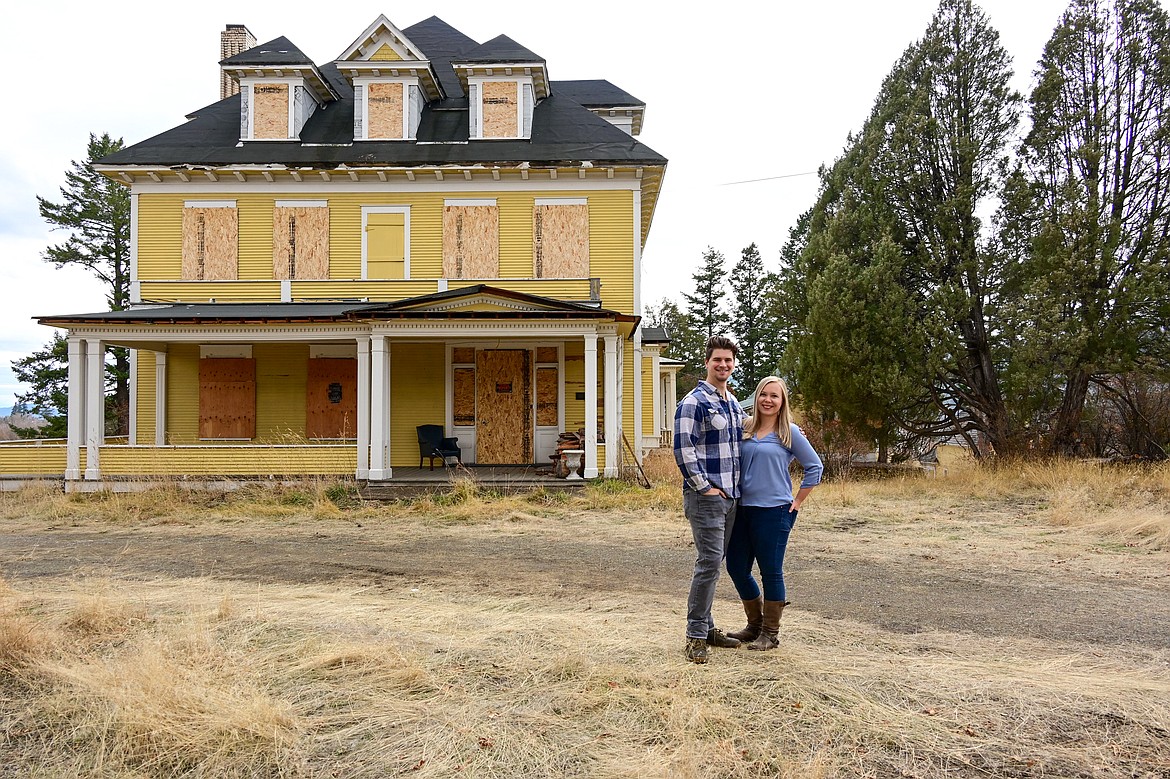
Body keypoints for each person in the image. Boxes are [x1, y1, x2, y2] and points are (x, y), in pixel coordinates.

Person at [725, 375, 823, 651]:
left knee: (771, 571)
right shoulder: (743, 428)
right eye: (763, 394)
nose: (768, 400)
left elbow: (815, 467)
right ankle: (754, 626)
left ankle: (770, 633)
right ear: (756, 397)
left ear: (782, 402)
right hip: (742, 509)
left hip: (775, 511)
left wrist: (798, 501)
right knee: (736, 568)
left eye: (774, 396)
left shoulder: (789, 432)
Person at [673, 335, 747, 664]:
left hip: (730, 498)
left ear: (733, 364)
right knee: (708, 565)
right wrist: (704, 487)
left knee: (715, 566)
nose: (723, 365)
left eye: (728, 360)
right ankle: (695, 636)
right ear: (707, 362)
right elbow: (683, 449)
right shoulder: (693, 402)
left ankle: (708, 627)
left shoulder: (731, 403)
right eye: (718, 359)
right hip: (707, 499)